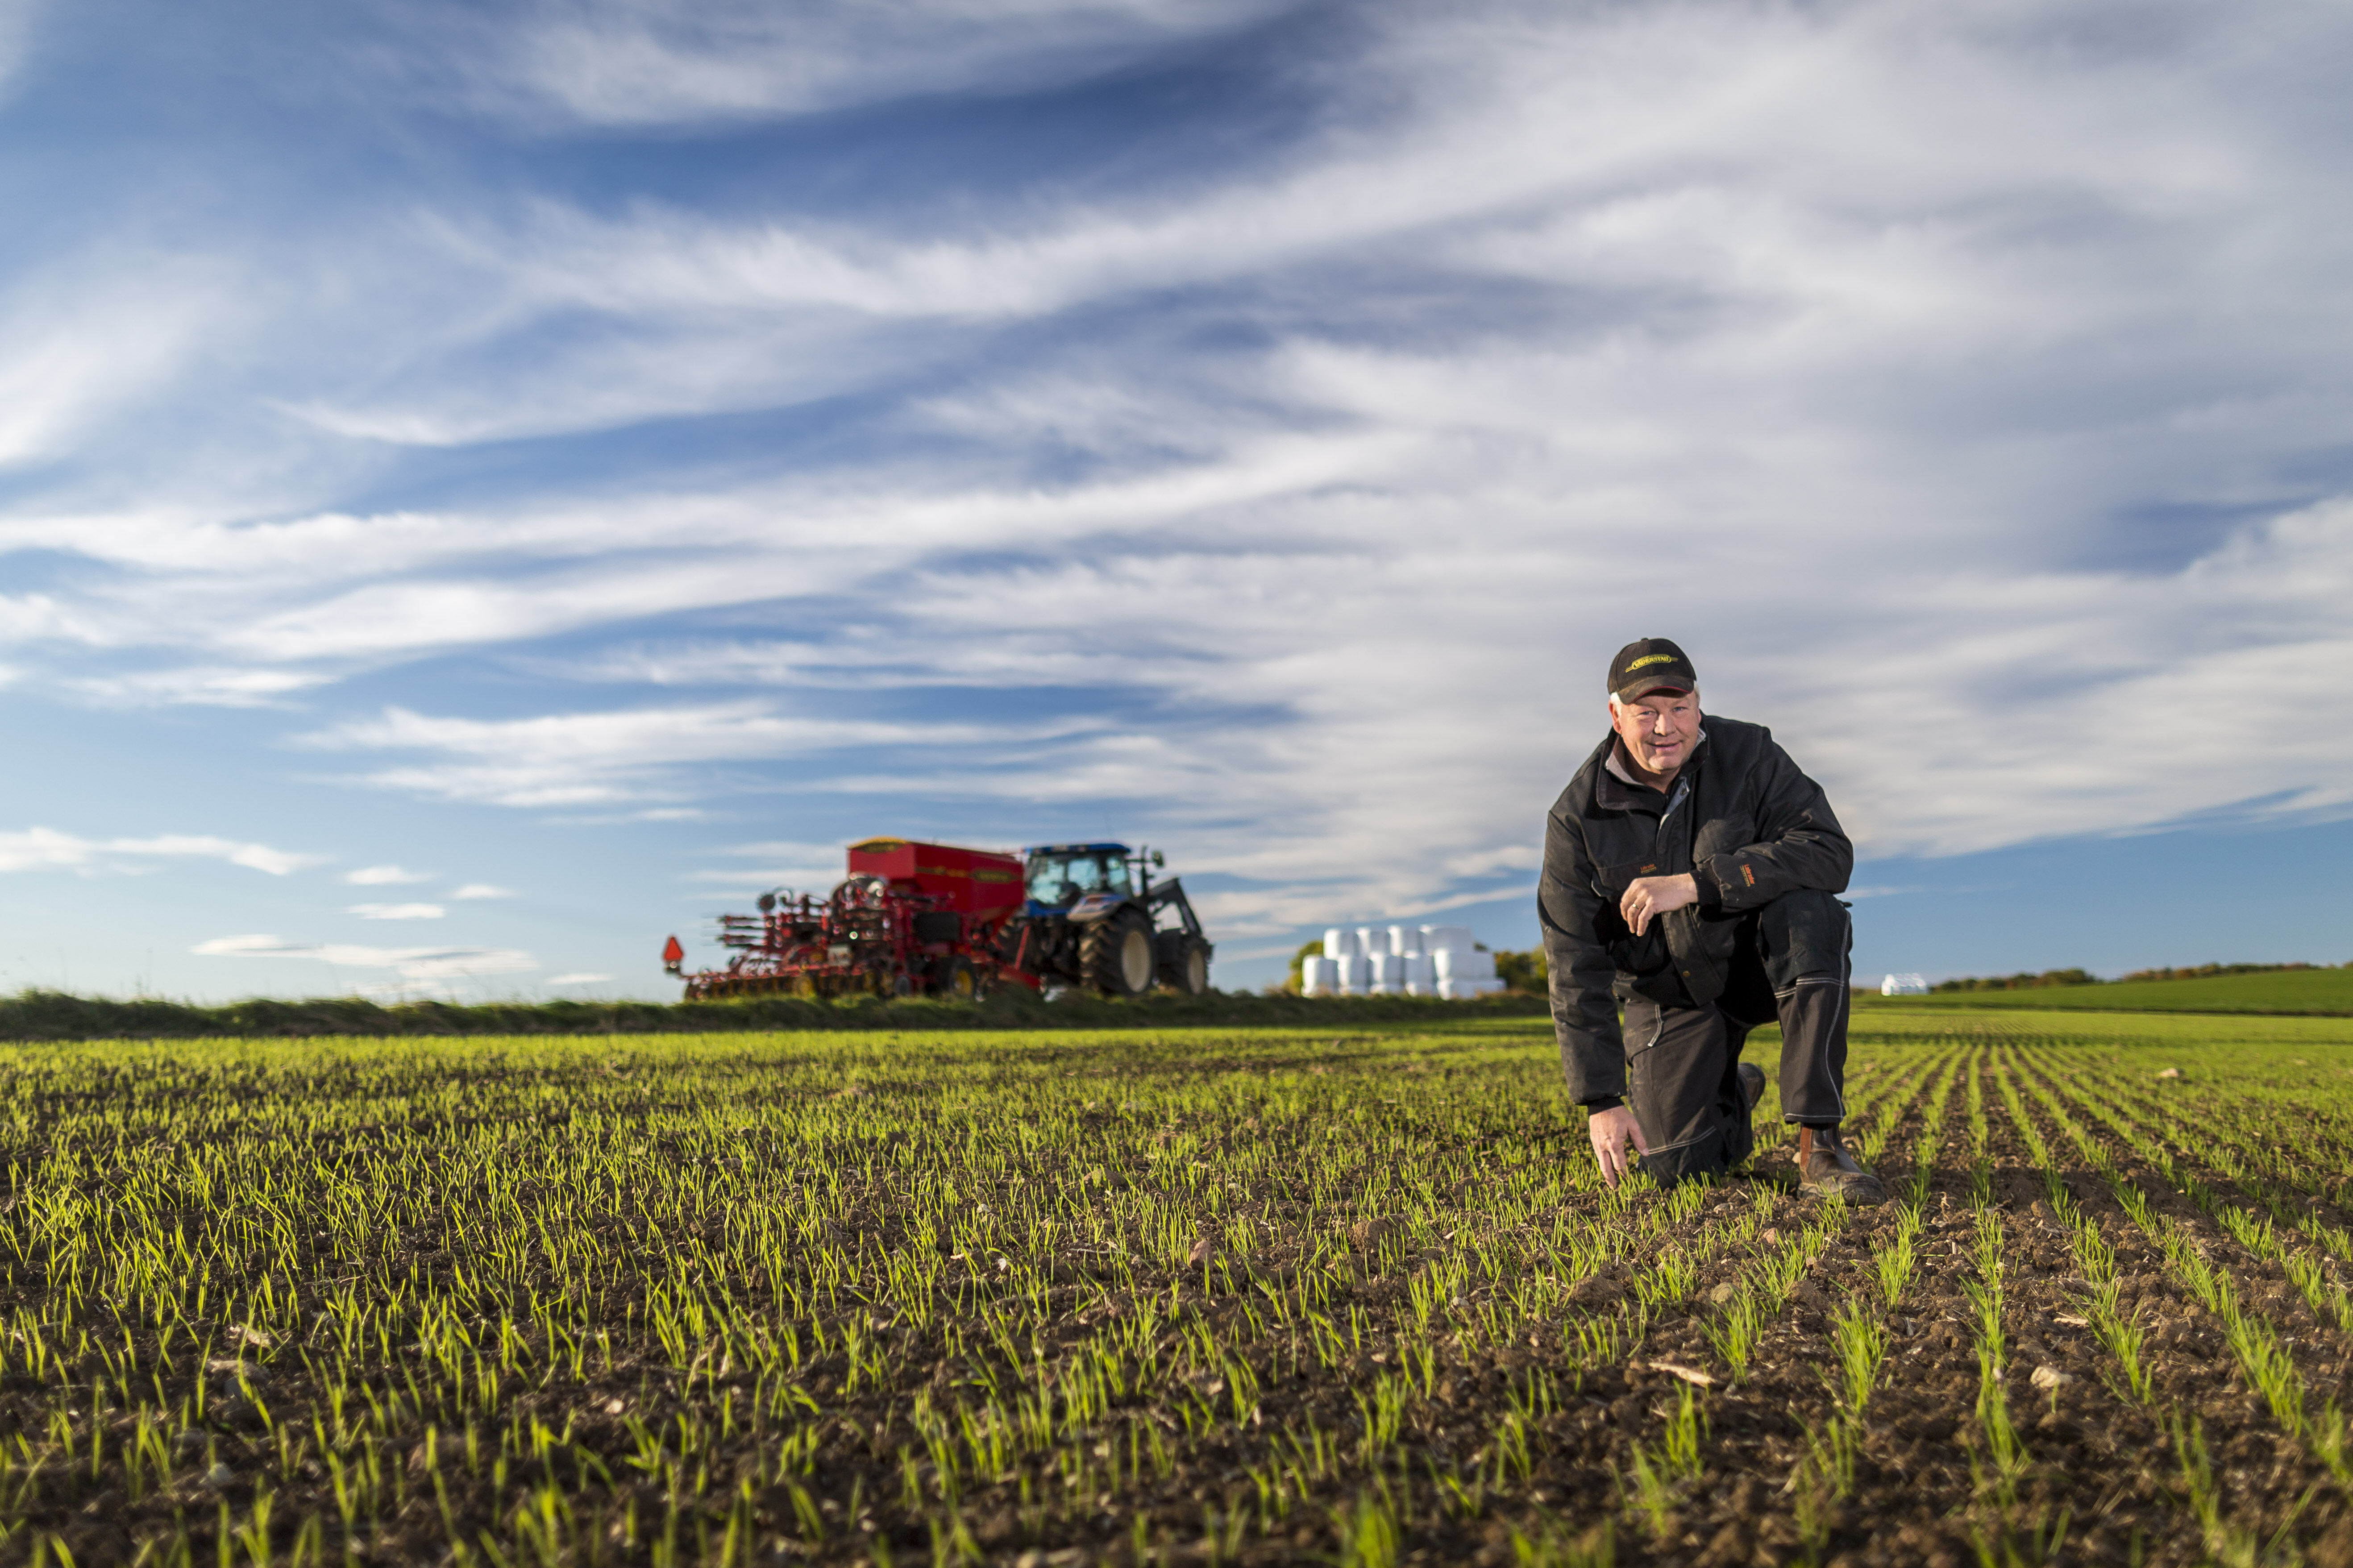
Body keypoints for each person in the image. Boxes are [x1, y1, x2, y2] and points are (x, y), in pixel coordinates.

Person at [1538, 638, 1884, 1203]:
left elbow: (1828, 852)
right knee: (1674, 1168)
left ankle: (1818, 1143)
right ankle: (1733, 1090)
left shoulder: (1749, 754)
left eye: (1678, 708)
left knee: (1812, 911)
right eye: (1645, 712)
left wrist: (1699, 883)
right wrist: (1601, 1099)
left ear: (1698, 703)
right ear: (1615, 715)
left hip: (1756, 965)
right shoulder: (1578, 816)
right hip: (1670, 992)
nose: (1664, 727)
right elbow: (1573, 960)